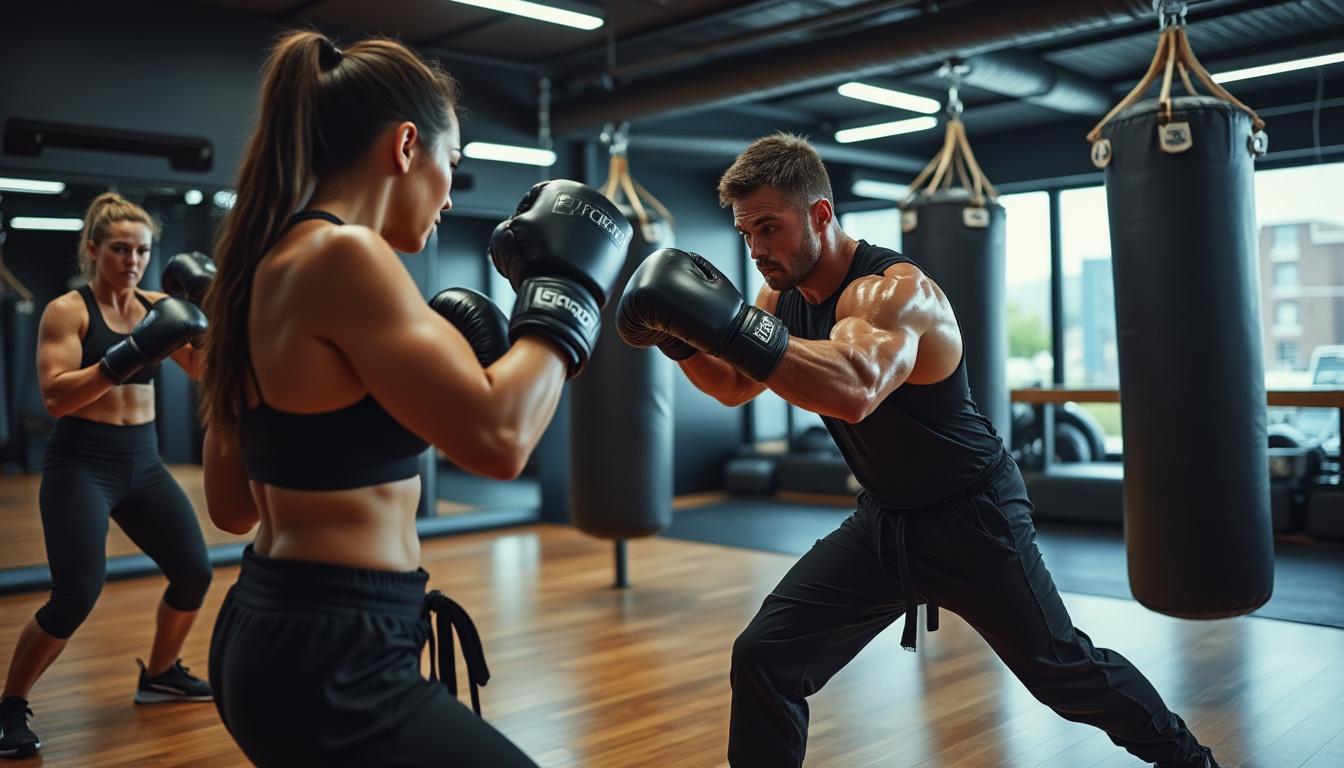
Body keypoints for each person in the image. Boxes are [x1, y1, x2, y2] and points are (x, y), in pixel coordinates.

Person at [616, 133, 1219, 768]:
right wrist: (680, 341)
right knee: (766, 655)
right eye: (746, 233)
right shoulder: (781, 301)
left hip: (973, 518)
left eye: (770, 227)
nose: (757, 249)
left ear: (820, 214)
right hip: (886, 521)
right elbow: (736, 385)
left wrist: (731, 327)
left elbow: (854, 388)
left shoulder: (891, 291)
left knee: (1064, 673)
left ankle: (1192, 762)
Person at [198, 31, 628, 767]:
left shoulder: (261, 265)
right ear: (405, 146)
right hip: (334, 655)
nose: (451, 195)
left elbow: (231, 503)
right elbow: (500, 439)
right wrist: (568, 295)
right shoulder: (346, 254)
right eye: (450, 165)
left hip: (269, 625)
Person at [0, 193, 213, 759]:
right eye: (120, 248)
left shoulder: (157, 303)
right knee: (76, 594)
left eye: (143, 249)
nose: (133, 260)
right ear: (92, 249)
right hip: (81, 464)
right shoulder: (68, 310)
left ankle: (162, 673)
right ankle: (9, 706)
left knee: (194, 572)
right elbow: (55, 398)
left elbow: (205, 376)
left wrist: (208, 319)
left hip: (144, 462)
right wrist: (130, 350)